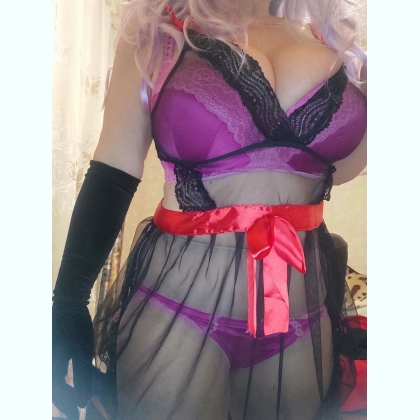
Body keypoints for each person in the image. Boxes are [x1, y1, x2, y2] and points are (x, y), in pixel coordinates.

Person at [52, 0, 367, 419]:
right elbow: (113, 172)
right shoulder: (159, 33)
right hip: (179, 311)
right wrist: (69, 296)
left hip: (297, 314)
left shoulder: (331, 43)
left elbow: (335, 171)